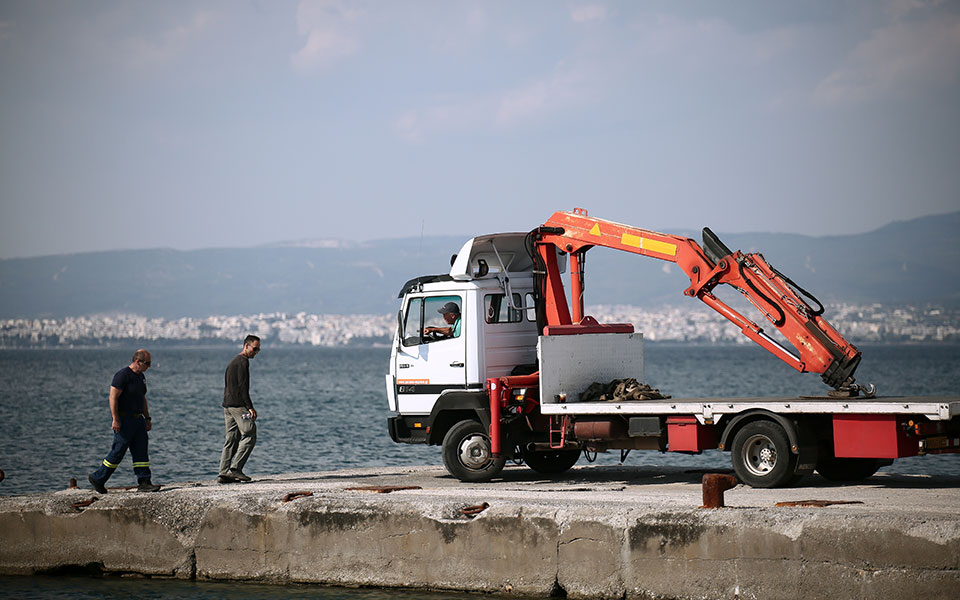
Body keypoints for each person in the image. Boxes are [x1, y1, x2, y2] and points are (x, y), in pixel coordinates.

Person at [88, 349, 161, 493]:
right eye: (147, 363)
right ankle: (98, 478)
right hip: (125, 420)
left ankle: (144, 481)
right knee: (118, 452)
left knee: (141, 452)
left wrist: (147, 418)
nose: (149, 367)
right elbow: (113, 397)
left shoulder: (141, 377)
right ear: (137, 361)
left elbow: (142, 398)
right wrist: (115, 418)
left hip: (138, 420)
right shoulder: (122, 376)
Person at [219, 335, 260, 484]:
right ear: (246, 346)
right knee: (250, 433)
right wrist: (250, 408)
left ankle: (223, 473)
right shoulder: (243, 362)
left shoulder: (232, 362)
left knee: (231, 439)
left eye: (258, 350)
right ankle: (235, 469)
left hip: (228, 405)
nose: (256, 352)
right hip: (238, 406)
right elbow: (244, 388)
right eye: (254, 349)